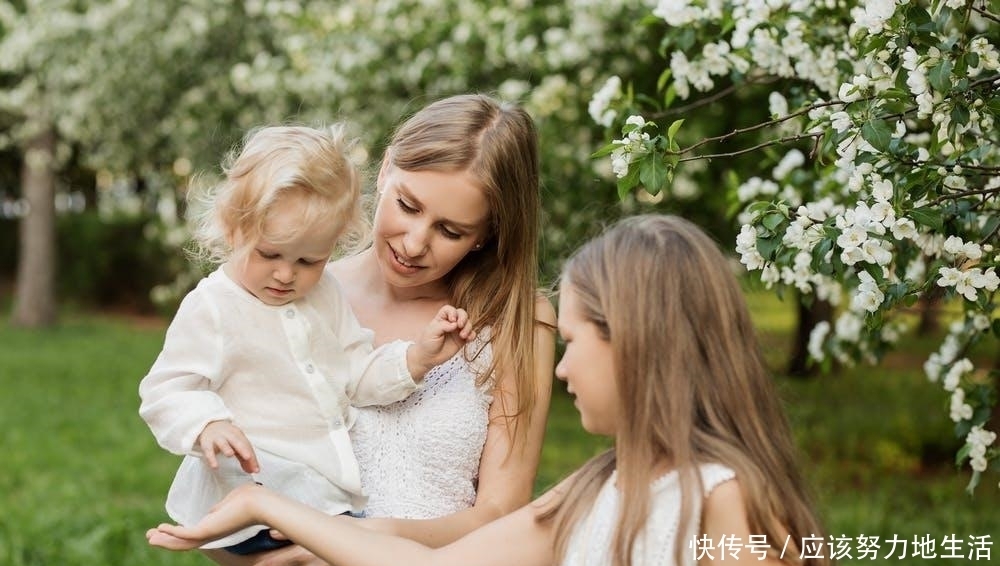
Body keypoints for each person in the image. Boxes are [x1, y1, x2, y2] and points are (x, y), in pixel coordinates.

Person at [148, 214, 831, 566]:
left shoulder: (723, 495)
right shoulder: (600, 486)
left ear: (635, 341)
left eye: (572, 342)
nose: (560, 371)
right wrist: (266, 505)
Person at [200, 94, 556, 565]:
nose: (414, 244)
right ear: (385, 169)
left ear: (487, 234)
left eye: (451, 231)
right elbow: (225, 477)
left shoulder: (516, 319)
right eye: (408, 205)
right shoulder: (294, 296)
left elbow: (502, 512)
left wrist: (355, 539)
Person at [138, 124, 474, 555]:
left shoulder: (325, 295)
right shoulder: (213, 307)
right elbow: (166, 388)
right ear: (232, 227)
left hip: (322, 499)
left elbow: (356, 374)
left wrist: (416, 359)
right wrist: (207, 424)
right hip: (249, 498)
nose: (285, 274)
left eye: (309, 260)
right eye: (270, 253)